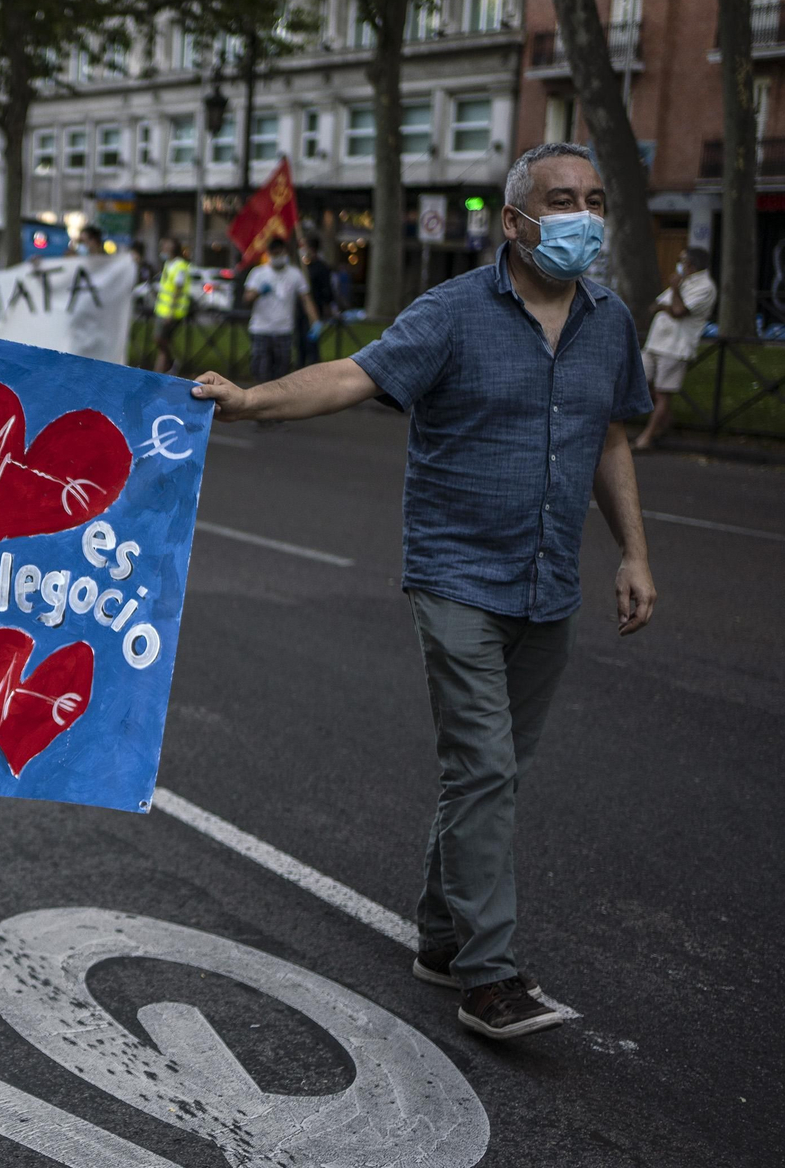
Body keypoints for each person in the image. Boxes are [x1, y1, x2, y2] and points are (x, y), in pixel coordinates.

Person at [190, 142, 656, 1042]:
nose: (583, 215)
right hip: (457, 577)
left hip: (549, 581)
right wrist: (251, 401)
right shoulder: (452, 314)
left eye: (594, 199)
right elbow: (351, 376)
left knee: (494, 771)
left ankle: (442, 939)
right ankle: (489, 975)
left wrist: (633, 554)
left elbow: (610, 440)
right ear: (515, 222)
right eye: (562, 200)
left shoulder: (611, 321)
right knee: (482, 766)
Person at [631, 247, 718, 452]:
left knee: (663, 393)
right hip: (655, 343)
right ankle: (666, 421)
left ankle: (647, 437)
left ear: (692, 264)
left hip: (675, 347)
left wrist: (675, 292)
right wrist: (668, 303)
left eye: (682, 260)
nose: (678, 264)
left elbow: (678, 311)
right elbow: (657, 305)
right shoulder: (682, 281)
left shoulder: (705, 286)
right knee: (640, 383)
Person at [242, 237, 318, 387]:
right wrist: (258, 292)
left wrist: (315, 322)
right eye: (274, 253)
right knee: (260, 373)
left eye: (280, 253)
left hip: (284, 329)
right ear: (269, 253)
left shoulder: (295, 274)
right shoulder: (258, 273)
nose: (278, 257)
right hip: (261, 329)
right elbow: (246, 298)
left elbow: (306, 299)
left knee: (282, 373)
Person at [152, 237, 192, 373]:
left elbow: (177, 289)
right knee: (162, 341)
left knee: (160, 339)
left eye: (165, 246)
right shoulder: (169, 264)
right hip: (163, 310)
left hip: (173, 312)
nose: (163, 249)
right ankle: (164, 369)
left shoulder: (179, 265)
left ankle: (167, 367)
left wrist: (170, 311)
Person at [298, 238, 336, 366]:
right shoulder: (303, 268)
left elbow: (327, 290)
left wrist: (327, 306)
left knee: (311, 341)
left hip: (316, 307)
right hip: (301, 310)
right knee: (300, 341)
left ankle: (312, 364)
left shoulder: (321, 267)